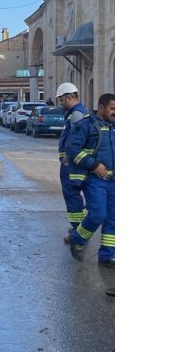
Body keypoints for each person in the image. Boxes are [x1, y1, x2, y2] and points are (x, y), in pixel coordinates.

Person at [68, 93, 115, 267]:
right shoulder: (86, 125)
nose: (115, 112)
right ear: (101, 107)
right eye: (112, 108)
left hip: (113, 180)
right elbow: (72, 149)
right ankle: (77, 239)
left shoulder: (114, 127)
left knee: (112, 219)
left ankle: (106, 256)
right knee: (98, 214)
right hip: (95, 179)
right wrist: (94, 165)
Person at [55, 82, 90, 244]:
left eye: (61, 100)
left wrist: (67, 160)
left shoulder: (76, 115)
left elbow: (74, 142)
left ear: (69, 98)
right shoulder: (74, 113)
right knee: (73, 197)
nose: (60, 103)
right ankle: (79, 226)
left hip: (72, 165)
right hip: (71, 163)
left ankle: (78, 231)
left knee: (72, 197)